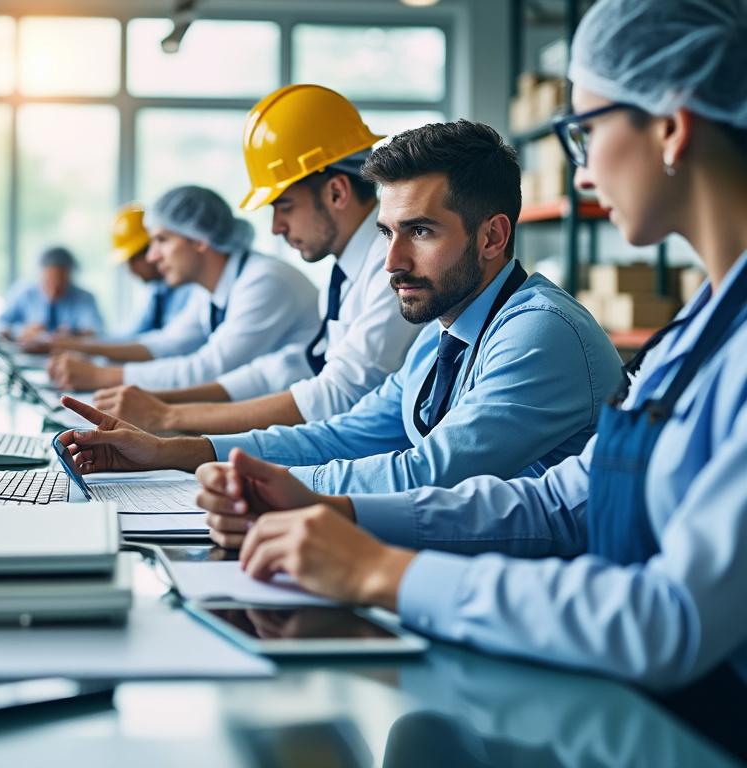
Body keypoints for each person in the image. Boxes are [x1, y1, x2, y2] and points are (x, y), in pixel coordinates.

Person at [195, 0, 747, 698]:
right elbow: (561, 502)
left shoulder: (552, 332)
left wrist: (380, 571)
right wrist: (336, 511)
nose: (579, 174)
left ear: (671, 127)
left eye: (584, 132)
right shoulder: (696, 330)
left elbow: (668, 620)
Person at [57, 120, 621, 499]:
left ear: (493, 237)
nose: (392, 262)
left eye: (420, 231)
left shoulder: (539, 333)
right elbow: (342, 435)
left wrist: (262, 485)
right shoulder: (440, 335)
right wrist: (175, 452)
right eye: (387, 233)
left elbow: (431, 473)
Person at [92, 85, 420, 434]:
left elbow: (337, 394)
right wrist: (162, 405)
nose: (276, 227)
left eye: (284, 206)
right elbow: (294, 368)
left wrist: (167, 416)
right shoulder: (344, 274)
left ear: (337, 192)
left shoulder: (391, 268)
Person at [47, 185, 318, 391]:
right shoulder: (209, 289)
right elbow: (167, 344)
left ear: (199, 239)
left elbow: (208, 369)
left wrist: (99, 375)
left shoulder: (265, 281)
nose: (152, 256)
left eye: (162, 240)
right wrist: (83, 348)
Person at [21, 204, 199, 359]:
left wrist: (79, 346)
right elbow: (131, 336)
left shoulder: (190, 292)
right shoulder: (155, 291)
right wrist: (74, 343)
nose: (130, 270)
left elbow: (169, 345)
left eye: (131, 260)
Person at [0, 245, 103, 342]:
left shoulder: (84, 298)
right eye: (48, 283)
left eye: (60, 285)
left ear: (70, 278)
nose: (53, 292)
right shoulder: (24, 293)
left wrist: (74, 334)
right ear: (40, 275)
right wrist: (21, 330)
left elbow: (96, 330)